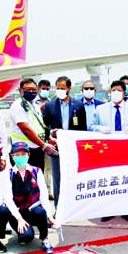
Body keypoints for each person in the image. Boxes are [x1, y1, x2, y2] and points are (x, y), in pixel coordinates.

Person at [92, 80, 128, 223]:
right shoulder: (100, 109)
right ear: (109, 92)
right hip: (108, 149)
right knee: (109, 180)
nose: (116, 93)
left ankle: (126, 210)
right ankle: (108, 210)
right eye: (113, 90)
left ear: (124, 93)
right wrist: (101, 129)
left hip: (127, 150)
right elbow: (92, 126)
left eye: (119, 90)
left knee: (126, 180)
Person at [1, 142, 57, 254]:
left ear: (29, 155)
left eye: (23, 154)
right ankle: (23, 232)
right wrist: (19, 219)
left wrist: (49, 216)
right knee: (26, 237)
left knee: (41, 212)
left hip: (32, 210)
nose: (20, 157)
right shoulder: (8, 174)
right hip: (18, 213)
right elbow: (8, 199)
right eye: (17, 155)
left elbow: (43, 195)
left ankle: (44, 238)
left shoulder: (36, 171)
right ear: (12, 156)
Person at [42, 76, 87, 208]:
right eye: (58, 88)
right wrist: (51, 132)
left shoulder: (78, 106)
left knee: (73, 179)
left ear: (69, 88)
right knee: (57, 180)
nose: (60, 90)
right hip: (56, 148)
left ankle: (73, 207)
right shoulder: (50, 106)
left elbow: (82, 129)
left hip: (72, 148)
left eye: (63, 88)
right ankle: (58, 208)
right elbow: (45, 126)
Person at [9, 78, 58, 171]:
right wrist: (44, 145)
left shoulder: (35, 106)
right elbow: (26, 129)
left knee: (37, 179)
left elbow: (40, 126)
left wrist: (49, 137)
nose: (31, 92)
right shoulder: (18, 105)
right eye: (27, 90)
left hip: (37, 149)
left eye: (33, 89)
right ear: (20, 91)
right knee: (24, 180)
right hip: (22, 150)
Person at [34, 79, 53, 198]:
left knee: (49, 167)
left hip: (48, 138)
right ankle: (37, 190)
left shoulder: (52, 103)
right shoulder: (33, 103)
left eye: (47, 89)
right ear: (38, 89)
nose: (45, 91)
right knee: (38, 166)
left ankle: (49, 191)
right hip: (36, 139)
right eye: (43, 88)